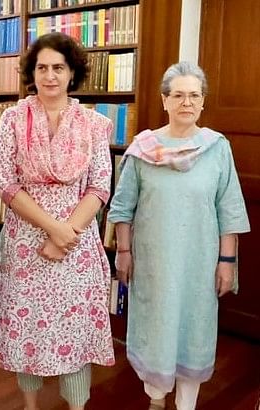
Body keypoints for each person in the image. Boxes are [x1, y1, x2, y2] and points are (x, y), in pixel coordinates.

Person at [0, 32, 116, 410]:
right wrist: (52, 229)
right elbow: (6, 183)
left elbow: (100, 186)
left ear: (72, 73)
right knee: (29, 330)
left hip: (77, 246)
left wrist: (65, 233)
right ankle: (30, 405)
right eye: (42, 67)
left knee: (74, 332)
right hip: (26, 244)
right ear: (32, 73)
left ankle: (76, 406)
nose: (50, 75)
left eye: (58, 67)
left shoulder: (94, 124)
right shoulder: (11, 119)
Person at [107, 61, 250, 410]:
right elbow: (123, 207)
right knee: (155, 331)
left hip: (199, 265)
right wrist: (123, 253)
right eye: (179, 95)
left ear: (203, 102)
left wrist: (227, 262)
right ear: (164, 100)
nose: (187, 102)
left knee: (194, 332)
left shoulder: (217, 148)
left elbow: (228, 210)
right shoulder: (142, 149)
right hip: (154, 266)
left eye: (194, 95)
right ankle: (156, 399)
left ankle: (186, 404)